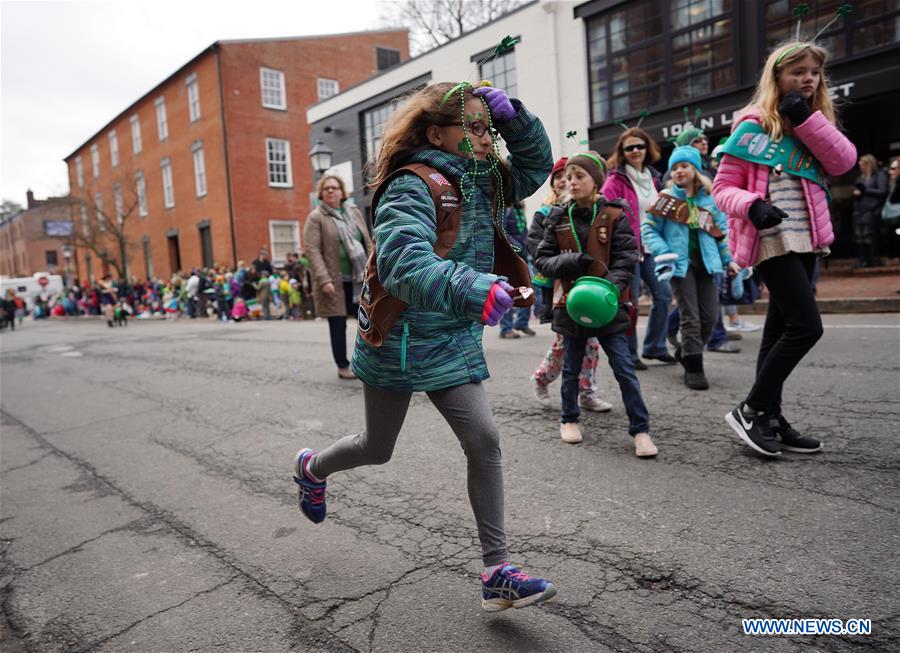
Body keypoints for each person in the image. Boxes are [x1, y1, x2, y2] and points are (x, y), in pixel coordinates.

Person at [292, 81, 557, 611]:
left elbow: (535, 168)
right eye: (476, 127)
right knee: (377, 448)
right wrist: (473, 288)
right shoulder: (412, 186)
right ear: (437, 133)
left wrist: (517, 119)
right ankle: (312, 468)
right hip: (397, 342)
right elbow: (402, 263)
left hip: (450, 342)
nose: (488, 137)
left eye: (491, 126)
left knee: (484, 440)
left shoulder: (489, 179)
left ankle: (496, 573)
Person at [714, 40, 856, 457]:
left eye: (814, 72)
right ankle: (751, 408)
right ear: (777, 77)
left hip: (807, 239)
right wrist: (753, 205)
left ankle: (769, 417)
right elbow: (723, 188)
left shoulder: (814, 122)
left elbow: (843, 162)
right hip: (769, 238)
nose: (808, 78)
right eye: (798, 71)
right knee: (806, 327)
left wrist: (806, 119)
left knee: (779, 329)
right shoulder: (753, 125)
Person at [535, 152, 656, 457]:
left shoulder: (615, 215)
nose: (571, 182)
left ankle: (641, 430)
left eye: (579, 176)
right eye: (569, 177)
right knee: (572, 367)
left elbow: (627, 258)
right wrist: (573, 261)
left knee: (624, 368)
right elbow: (542, 259)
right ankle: (569, 419)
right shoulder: (558, 217)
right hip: (570, 304)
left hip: (609, 303)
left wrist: (610, 290)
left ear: (596, 182)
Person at [642, 146, 738, 390]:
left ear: (695, 169)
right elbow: (648, 229)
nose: (678, 171)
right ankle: (694, 367)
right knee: (691, 317)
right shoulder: (665, 199)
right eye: (674, 167)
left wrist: (729, 261)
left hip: (707, 263)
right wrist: (664, 253)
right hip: (679, 265)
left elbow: (720, 235)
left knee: (710, 317)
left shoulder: (709, 199)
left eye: (684, 166)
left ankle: (686, 352)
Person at [526, 156, 611, 413]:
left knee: (590, 341)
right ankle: (542, 378)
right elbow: (538, 252)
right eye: (561, 176)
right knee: (567, 342)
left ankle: (586, 392)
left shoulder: (587, 210)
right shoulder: (545, 214)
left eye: (572, 176)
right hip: (557, 288)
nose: (566, 181)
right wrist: (571, 262)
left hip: (587, 286)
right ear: (553, 183)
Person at [602, 128, 675, 369]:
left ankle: (655, 346)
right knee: (629, 302)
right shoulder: (615, 180)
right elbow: (606, 212)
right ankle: (630, 354)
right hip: (627, 249)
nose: (635, 151)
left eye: (640, 146)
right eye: (629, 148)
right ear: (622, 153)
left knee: (664, 294)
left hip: (652, 248)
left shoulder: (655, 177)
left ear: (648, 148)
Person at [304, 173, 372, 380]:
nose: (331, 191)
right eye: (327, 189)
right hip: (334, 281)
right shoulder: (316, 217)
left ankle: (370, 361)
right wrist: (324, 279)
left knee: (368, 320)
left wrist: (372, 268)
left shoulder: (353, 212)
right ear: (321, 194)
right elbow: (312, 250)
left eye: (335, 187)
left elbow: (366, 241)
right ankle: (343, 366)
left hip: (359, 278)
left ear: (342, 192)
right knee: (338, 324)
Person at [498, 200, 534, 338]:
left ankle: (522, 322)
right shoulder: (505, 206)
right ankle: (506, 328)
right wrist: (517, 248)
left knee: (528, 288)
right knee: (508, 291)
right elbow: (502, 231)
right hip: (510, 256)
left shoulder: (519, 208)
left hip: (523, 256)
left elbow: (524, 232)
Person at [851, 154, 889, 268]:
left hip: (871, 210)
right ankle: (862, 260)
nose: (861, 167)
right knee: (859, 237)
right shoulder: (860, 178)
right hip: (859, 210)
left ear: (870, 164)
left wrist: (864, 190)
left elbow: (883, 191)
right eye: (860, 165)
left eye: (864, 164)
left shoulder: (879, 175)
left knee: (869, 236)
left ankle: (871, 259)